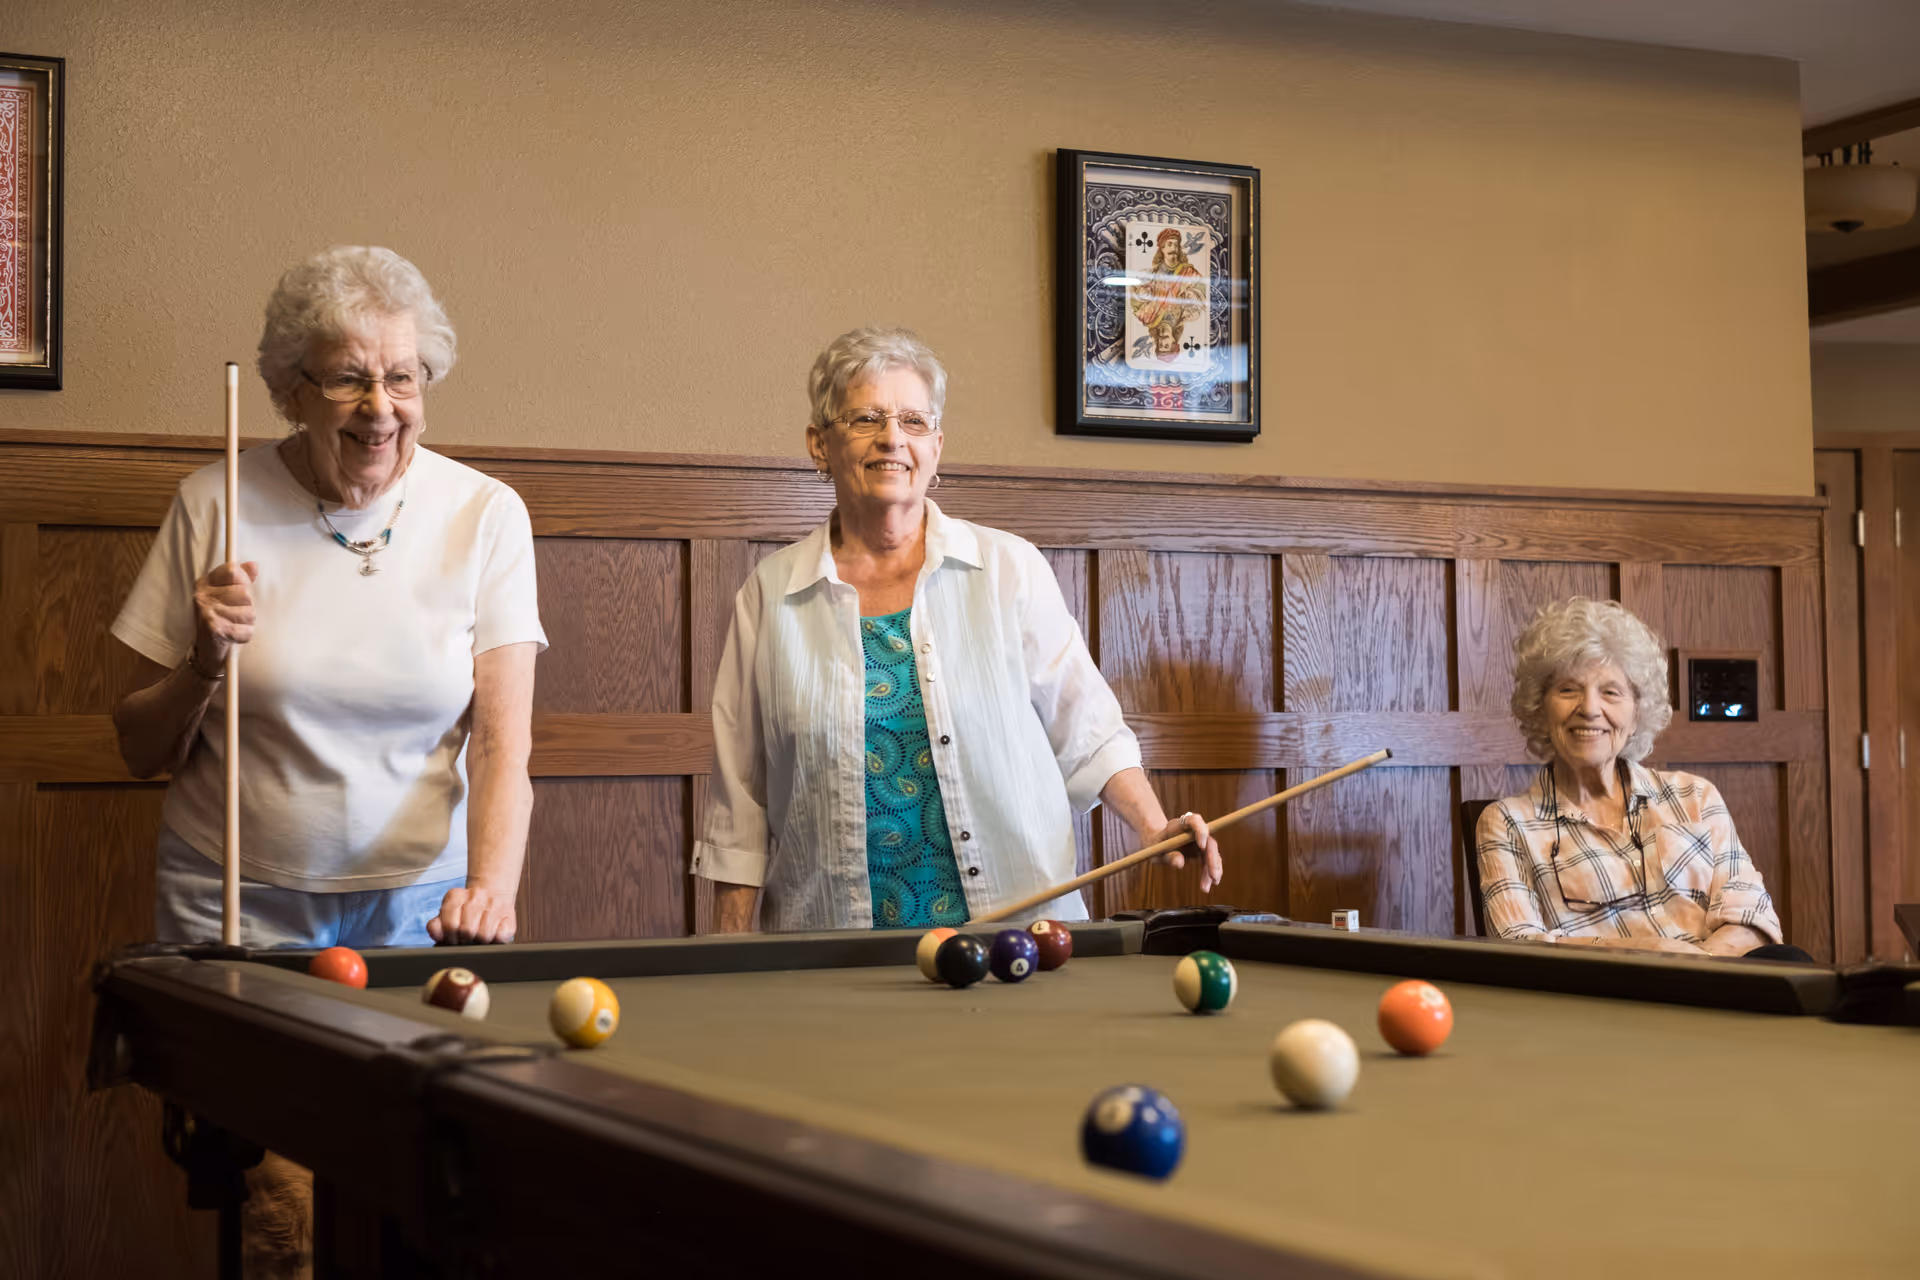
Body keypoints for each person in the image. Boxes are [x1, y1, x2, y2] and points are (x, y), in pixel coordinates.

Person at [694, 325, 1220, 932]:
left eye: (913, 422)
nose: (892, 438)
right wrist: (726, 957)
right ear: (819, 445)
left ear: (936, 448)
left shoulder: (1009, 567)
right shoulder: (768, 595)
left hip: (1020, 946)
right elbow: (739, 803)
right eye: (865, 419)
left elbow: (1090, 731)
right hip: (832, 956)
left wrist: (1155, 827)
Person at [111, 245, 547, 951]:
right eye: (349, 379)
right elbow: (136, 748)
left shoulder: (487, 513)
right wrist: (204, 661)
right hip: (234, 901)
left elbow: (502, 745)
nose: (380, 407)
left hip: (423, 908)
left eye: (402, 377)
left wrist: (490, 892)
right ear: (295, 392)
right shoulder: (214, 502)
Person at [1474, 598, 1809, 960]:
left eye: (1610, 692)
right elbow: (1519, 944)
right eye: (1568, 689)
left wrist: (1697, 968)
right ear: (1540, 708)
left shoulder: (1695, 797)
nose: (1589, 708)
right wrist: (1650, 952)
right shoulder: (1507, 823)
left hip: (1719, 983)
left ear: (1636, 713)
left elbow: (1752, 916)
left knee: (1791, 961)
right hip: (1605, 1001)